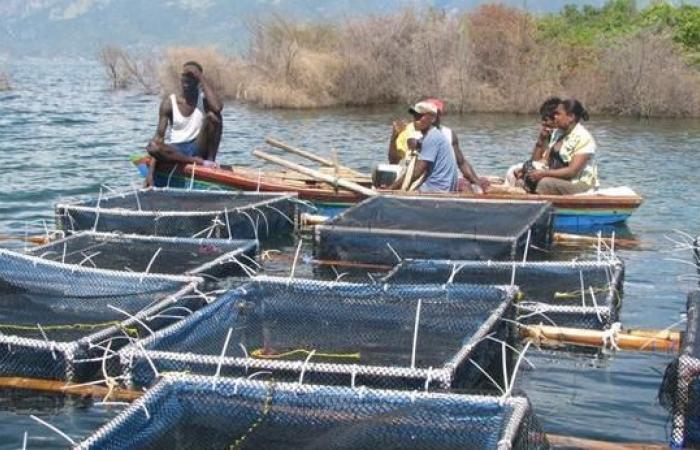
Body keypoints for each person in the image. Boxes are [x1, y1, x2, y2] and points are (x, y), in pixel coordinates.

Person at [145, 61, 223, 187]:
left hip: (198, 146)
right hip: (176, 151)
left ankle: (209, 162)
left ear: (198, 81)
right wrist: (150, 175)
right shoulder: (169, 103)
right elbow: (159, 138)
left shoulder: (204, 100)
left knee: (214, 116)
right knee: (153, 146)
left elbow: (218, 107)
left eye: (191, 76)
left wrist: (199, 75)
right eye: (184, 76)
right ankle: (195, 162)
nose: (186, 79)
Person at [526, 99, 598, 195]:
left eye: (558, 114)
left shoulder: (584, 138)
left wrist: (543, 174)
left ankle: (539, 207)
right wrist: (529, 169)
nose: (555, 117)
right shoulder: (558, 134)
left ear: (571, 117)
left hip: (579, 184)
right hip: (559, 180)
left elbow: (572, 171)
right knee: (524, 180)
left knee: (545, 183)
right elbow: (543, 161)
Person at [389, 101, 459, 192]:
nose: (416, 120)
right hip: (438, 187)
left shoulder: (432, 138)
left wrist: (391, 188)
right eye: (415, 116)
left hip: (436, 189)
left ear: (433, 119)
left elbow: (417, 171)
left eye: (420, 116)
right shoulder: (430, 137)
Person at [424, 98, 489, 193]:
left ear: (439, 114)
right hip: (425, 182)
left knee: (473, 187)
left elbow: (461, 163)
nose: (432, 116)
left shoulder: (449, 133)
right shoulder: (416, 133)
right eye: (428, 113)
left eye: (435, 112)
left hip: (445, 183)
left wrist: (477, 183)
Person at [505, 97, 561, 190]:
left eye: (545, 119)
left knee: (519, 174)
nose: (543, 123)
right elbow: (535, 160)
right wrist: (541, 140)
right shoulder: (548, 135)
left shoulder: (560, 136)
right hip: (541, 168)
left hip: (550, 171)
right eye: (542, 119)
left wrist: (525, 169)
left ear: (555, 119)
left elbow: (544, 162)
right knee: (512, 170)